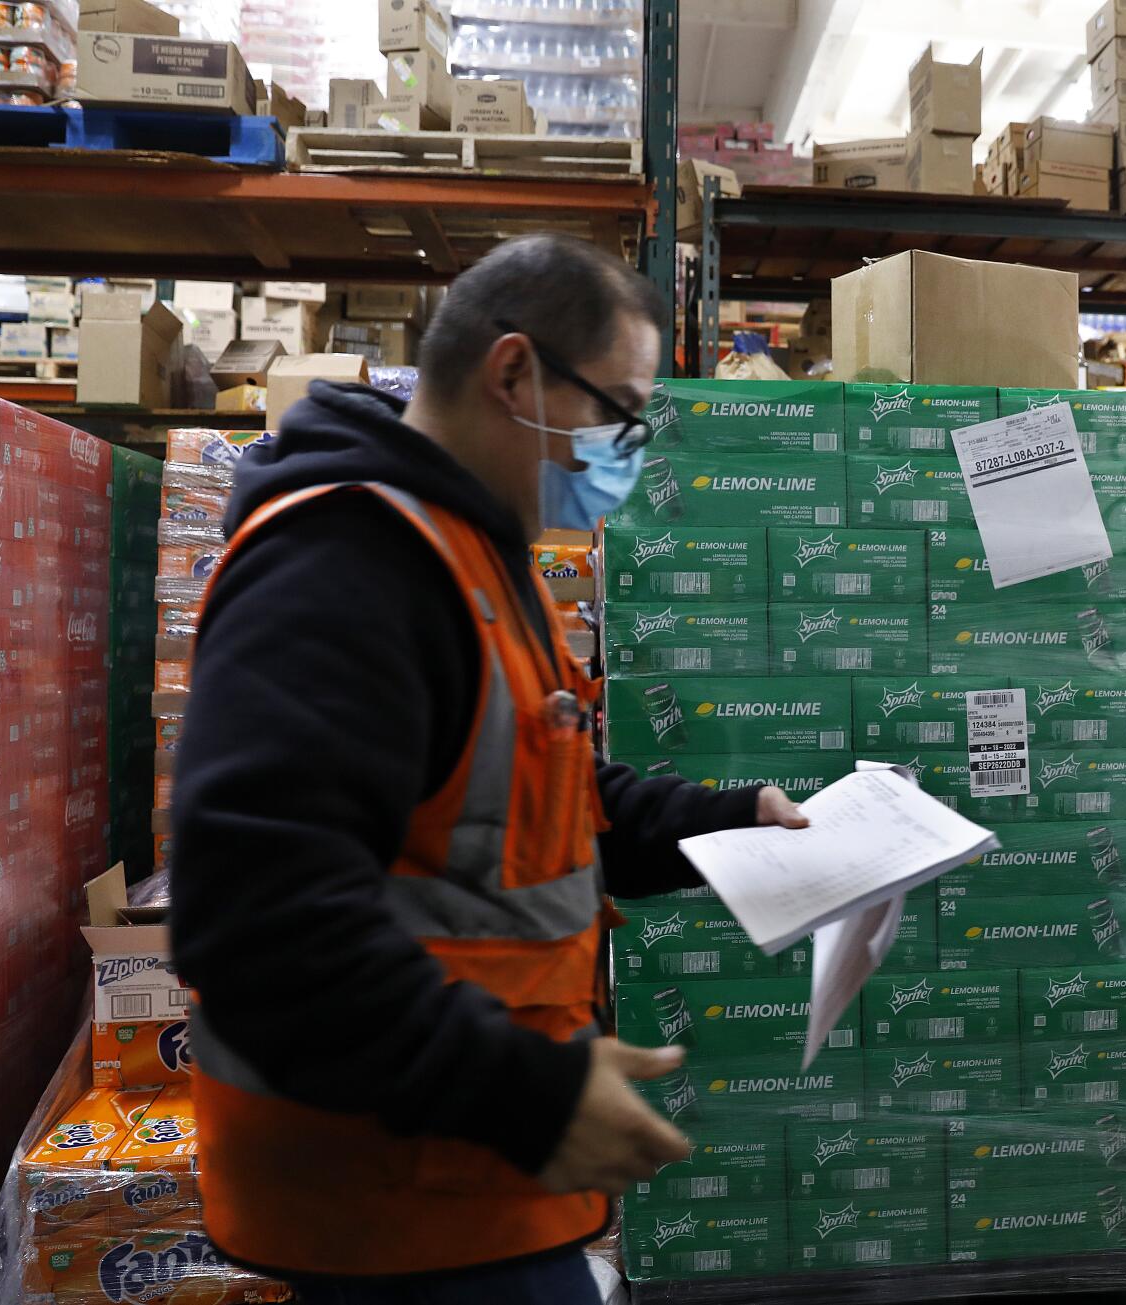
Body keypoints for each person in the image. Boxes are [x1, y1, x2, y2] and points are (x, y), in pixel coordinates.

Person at [169, 233, 807, 1303]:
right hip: (391, 1209)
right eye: (617, 412)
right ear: (513, 373)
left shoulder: (477, 553)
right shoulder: (348, 565)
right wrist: (532, 1095)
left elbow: (538, 800)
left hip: (471, 1192)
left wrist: (730, 819)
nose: (627, 450)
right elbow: (260, 919)